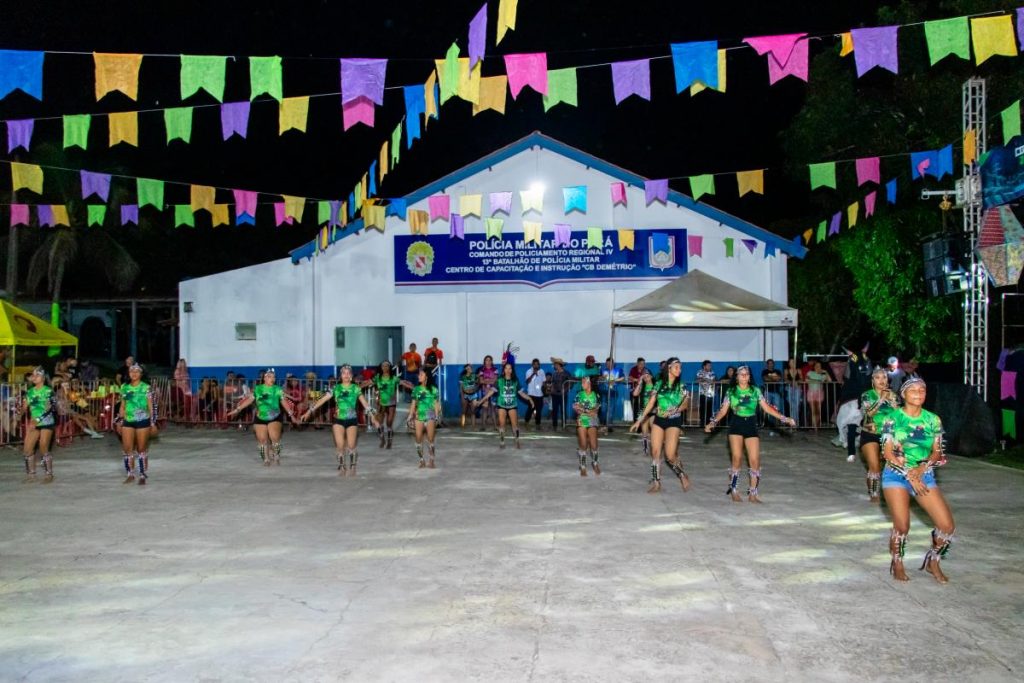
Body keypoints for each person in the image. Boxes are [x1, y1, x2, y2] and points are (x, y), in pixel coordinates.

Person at [879, 377, 954, 583]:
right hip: (896, 474)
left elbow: (937, 452)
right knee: (902, 526)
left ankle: (934, 561)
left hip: (924, 474)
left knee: (946, 526)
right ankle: (897, 561)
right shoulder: (891, 419)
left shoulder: (933, 419)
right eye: (914, 390)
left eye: (923, 390)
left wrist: (921, 469)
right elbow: (887, 453)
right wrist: (908, 474)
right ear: (903, 394)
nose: (919, 393)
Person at [705, 365, 796, 502]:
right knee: (737, 458)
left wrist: (785, 419)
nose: (744, 376)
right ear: (736, 377)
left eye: (747, 374)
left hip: (751, 425)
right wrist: (713, 422)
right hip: (736, 425)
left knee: (754, 460)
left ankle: (753, 492)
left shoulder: (755, 391)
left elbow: (767, 408)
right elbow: (723, 411)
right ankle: (734, 489)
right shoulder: (731, 392)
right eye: (741, 374)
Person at [302, 364, 377, 476]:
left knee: (351, 446)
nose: (346, 375)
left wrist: (373, 417)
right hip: (338, 420)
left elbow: (365, 404)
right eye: (344, 373)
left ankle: (352, 465)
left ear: (351, 376)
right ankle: (342, 466)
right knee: (340, 445)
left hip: (352, 420)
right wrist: (308, 411)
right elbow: (321, 400)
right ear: (341, 376)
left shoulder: (356, 389)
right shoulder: (335, 389)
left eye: (348, 373)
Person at [631, 357, 691, 493]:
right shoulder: (658, 384)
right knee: (656, 453)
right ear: (669, 368)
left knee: (670, 456)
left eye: (680, 367)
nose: (679, 370)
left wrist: (676, 409)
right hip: (659, 420)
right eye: (677, 367)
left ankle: (682, 474)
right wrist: (639, 420)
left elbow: (686, 404)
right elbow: (650, 404)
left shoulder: (681, 386)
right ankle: (656, 483)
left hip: (673, 421)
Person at [227, 369, 296, 465]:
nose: (272, 379)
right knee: (262, 440)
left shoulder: (277, 389)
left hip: (275, 416)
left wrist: (291, 414)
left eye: (274, 377)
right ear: (264, 378)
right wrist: (237, 409)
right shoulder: (258, 389)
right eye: (269, 377)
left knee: (274, 438)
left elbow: (284, 401)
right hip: (260, 417)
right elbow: (249, 400)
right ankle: (265, 458)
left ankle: (276, 454)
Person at [856, 367, 898, 502]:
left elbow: (899, 416)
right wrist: (881, 399)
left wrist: (893, 403)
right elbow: (869, 413)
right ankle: (874, 493)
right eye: (878, 377)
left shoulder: (893, 395)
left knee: (883, 467)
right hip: (870, 434)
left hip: (888, 435)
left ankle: (882, 488)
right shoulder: (867, 395)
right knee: (874, 465)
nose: (881, 380)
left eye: (884, 377)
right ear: (872, 380)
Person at [476, 361, 530, 449]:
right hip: (501, 405)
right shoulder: (499, 381)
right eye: (506, 368)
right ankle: (502, 441)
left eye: (510, 368)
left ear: (512, 370)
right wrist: (481, 401)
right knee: (502, 424)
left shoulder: (515, 381)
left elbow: (521, 393)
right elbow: (490, 392)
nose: (508, 370)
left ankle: (517, 440)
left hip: (512, 405)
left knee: (515, 425)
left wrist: (529, 398)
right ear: (504, 370)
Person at [18, 367, 56, 483]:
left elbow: (51, 409)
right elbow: (25, 407)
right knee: (27, 449)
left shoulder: (48, 391)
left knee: (43, 446)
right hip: (34, 422)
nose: (34, 377)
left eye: (37, 375)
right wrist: (19, 414)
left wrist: (37, 419)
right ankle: (31, 474)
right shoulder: (29, 392)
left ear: (43, 378)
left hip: (46, 421)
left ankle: (49, 474)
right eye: (33, 375)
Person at [119, 363, 154, 485]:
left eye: (137, 371)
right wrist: (120, 420)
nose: (134, 374)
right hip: (128, 420)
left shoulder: (146, 387)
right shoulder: (124, 387)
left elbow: (151, 405)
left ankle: (142, 474)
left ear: (141, 374)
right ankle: (130, 474)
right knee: (127, 449)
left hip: (143, 420)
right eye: (131, 371)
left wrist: (152, 422)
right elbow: (123, 405)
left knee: (141, 448)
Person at [410, 368, 442, 468]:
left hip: (430, 414)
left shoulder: (433, 389)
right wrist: (410, 416)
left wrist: (437, 416)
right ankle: (421, 460)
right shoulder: (416, 389)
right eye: (419, 375)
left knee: (430, 439)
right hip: (419, 415)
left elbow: (436, 403)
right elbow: (413, 404)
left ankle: (432, 460)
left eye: (421, 375)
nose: (419, 376)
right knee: (418, 439)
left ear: (427, 377)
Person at [573, 374, 601, 476]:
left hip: (593, 421)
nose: (582, 384)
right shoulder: (579, 394)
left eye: (584, 382)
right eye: (582, 382)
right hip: (582, 420)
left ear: (589, 383)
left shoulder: (596, 395)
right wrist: (586, 411)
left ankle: (595, 463)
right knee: (583, 444)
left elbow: (596, 410)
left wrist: (584, 409)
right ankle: (583, 465)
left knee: (594, 445)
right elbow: (576, 407)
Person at [369, 360, 401, 448]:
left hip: (391, 403)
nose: (385, 368)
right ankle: (382, 439)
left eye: (387, 366)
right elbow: (369, 383)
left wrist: (414, 387)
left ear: (389, 367)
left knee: (389, 423)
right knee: (380, 423)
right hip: (381, 403)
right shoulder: (377, 377)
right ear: (381, 367)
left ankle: (389, 441)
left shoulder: (394, 378)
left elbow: (403, 382)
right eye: (383, 366)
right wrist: (357, 387)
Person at [631, 370, 657, 456]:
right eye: (644, 377)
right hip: (644, 410)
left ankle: (655, 446)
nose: (646, 378)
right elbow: (635, 394)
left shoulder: (656, 386)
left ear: (651, 376)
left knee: (654, 429)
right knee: (644, 431)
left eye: (647, 376)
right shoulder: (642, 386)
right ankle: (646, 448)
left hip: (653, 410)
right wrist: (640, 382)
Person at [598, 357, 625, 430]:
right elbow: (599, 378)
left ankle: (609, 425)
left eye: (610, 363)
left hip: (613, 391)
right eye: (607, 364)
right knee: (603, 409)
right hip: (604, 391)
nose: (608, 365)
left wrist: (615, 380)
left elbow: (623, 378)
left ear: (613, 363)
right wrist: (602, 377)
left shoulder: (618, 370)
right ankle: (603, 424)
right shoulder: (603, 370)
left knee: (611, 409)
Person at [805, 360, 831, 432]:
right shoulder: (810, 373)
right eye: (816, 366)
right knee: (813, 410)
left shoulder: (823, 375)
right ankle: (815, 427)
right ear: (814, 367)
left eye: (819, 366)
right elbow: (806, 380)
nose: (818, 367)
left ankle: (816, 425)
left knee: (818, 411)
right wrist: (818, 381)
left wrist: (825, 372)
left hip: (819, 393)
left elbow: (830, 380)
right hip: (811, 392)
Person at [476, 355, 498, 430]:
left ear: (491, 361)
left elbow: (495, 380)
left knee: (493, 408)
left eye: (489, 360)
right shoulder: (482, 370)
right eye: (486, 360)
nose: (488, 362)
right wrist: (489, 381)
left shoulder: (495, 369)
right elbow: (481, 381)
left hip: (493, 391)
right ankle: (483, 426)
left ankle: (495, 426)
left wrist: (486, 381)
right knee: (484, 409)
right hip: (484, 391)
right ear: (484, 361)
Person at [760, 359, 783, 431]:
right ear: (767, 364)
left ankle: (777, 424)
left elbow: (779, 379)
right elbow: (765, 379)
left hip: (776, 392)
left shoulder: (778, 371)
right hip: (767, 391)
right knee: (766, 407)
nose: (770, 364)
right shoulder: (764, 371)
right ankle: (765, 423)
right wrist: (774, 378)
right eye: (769, 363)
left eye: (772, 363)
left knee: (777, 408)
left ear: (773, 364)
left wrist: (770, 378)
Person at [523, 358, 546, 429]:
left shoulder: (542, 371)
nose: (536, 366)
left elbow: (544, 381)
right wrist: (533, 374)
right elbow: (527, 382)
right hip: (531, 394)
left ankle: (538, 424)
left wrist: (545, 389)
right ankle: (526, 421)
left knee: (539, 410)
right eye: (534, 364)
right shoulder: (528, 371)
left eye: (537, 364)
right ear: (532, 365)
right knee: (530, 409)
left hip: (540, 394)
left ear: (539, 365)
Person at [548, 358, 570, 430]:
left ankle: (564, 425)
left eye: (555, 364)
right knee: (555, 410)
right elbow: (553, 383)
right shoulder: (554, 374)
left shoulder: (566, 373)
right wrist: (551, 388)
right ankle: (555, 425)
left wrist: (566, 390)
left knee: (563, 410)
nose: (554, 365)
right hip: (555, 395)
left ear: (558, 365)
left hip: (563, 395)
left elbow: (570, 383)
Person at [627, 358, 649, 425]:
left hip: (643, 393)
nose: (642, 365)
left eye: (643, 364)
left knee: (642, 409)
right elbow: (630, 378)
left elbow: (649, 378)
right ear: (637, 363)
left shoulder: (646, 370)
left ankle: (641, 424)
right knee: (635, 408)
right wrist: (637, 380)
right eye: (641, 364)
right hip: (634, 391)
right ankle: (636, 423)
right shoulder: (633, 369)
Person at [458, 363, 479, 429]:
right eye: (469, 368)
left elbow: (478, 383)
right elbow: (461, 388)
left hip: (473, 395)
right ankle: (462, 425)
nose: (471, 369)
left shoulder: (475, 375)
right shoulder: (462, 377)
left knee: (473, 411)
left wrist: (475, 388)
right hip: (465, 395)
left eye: (471, 368)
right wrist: (462, 397)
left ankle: (473, 427)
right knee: (464, 411)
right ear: (466, 369)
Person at [696, 360, 716, 428]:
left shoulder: (712, 372)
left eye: (710, 365)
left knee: (709, 409)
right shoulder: (700, 372)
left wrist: (713, 381)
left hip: (711, 393)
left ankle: (708, 423)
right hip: (703, 393)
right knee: (703, 408)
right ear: (704, 366)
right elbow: (697, 380)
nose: (710, 366)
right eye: (708, 365)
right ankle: (702, 423)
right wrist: (705, 380)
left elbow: (714, 380)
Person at [783, 358, 803, 426]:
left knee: (796, 405)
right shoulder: (786, 370)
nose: (792, 363)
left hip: (797, 388)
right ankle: (793, 421)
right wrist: (791, 382)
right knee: (791, 405)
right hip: (789, 388)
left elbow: (801, 378)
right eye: (791, 362)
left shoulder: (798, 370)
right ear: (789, 363)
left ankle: (795, 422)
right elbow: (785, 379)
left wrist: (797, 382)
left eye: (793, 362)